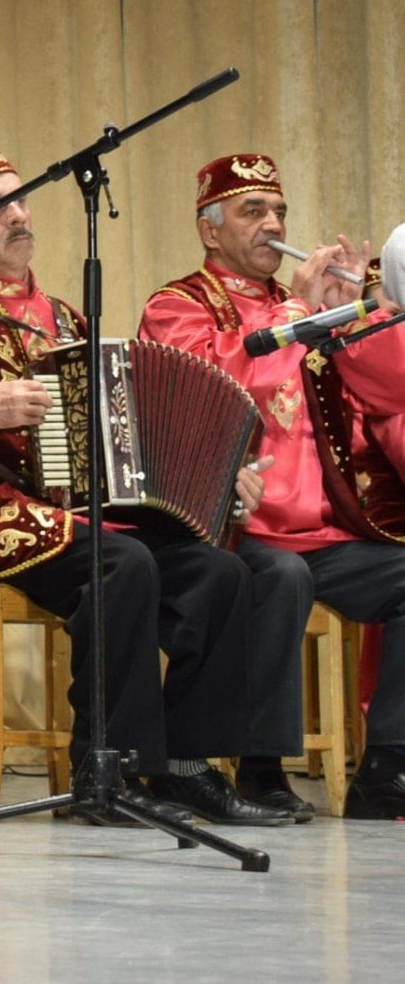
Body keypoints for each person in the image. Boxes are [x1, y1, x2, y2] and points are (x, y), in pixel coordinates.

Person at [0, 143, 281, 827]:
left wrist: (224, 479)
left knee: (218, 571)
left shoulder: (73, 320)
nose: (18, 215)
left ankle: (187, 768)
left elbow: (127, 438)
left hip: (78, 512)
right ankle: (104, 768)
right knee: (123, 561)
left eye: (20, 199)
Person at [139, 153, 405, 820]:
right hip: (235, 527)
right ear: (210, 229)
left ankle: (387, 763)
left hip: (327, 527)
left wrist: (364, 316)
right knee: (281, 576)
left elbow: (377, 395)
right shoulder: (178, 304)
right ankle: (261, 769)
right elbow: (210, 380)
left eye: (279, 210)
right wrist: (299, 312)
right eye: (253, 211)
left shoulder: (312, 309)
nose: (273, 224)